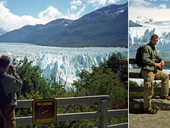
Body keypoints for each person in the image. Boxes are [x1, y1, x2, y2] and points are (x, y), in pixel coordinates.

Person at [141, 34, 170, 114]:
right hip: (147, 71)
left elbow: (157, 57)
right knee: (149, 88)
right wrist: (156, 64)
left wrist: (161, 60)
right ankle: (147, 108)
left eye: (157, 41)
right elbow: (144, 59)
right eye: (155, 41)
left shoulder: (153, 48)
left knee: (165, 76)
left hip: (153, 71)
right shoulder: (146, 48)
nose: (156, 42)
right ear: (151, 40)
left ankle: (164, 95)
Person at [0, 55, 23, 128]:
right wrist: (14, 72)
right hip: (8, 105)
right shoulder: (10, 78)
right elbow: (19, 85)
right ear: (7, 66)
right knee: (10, 123)